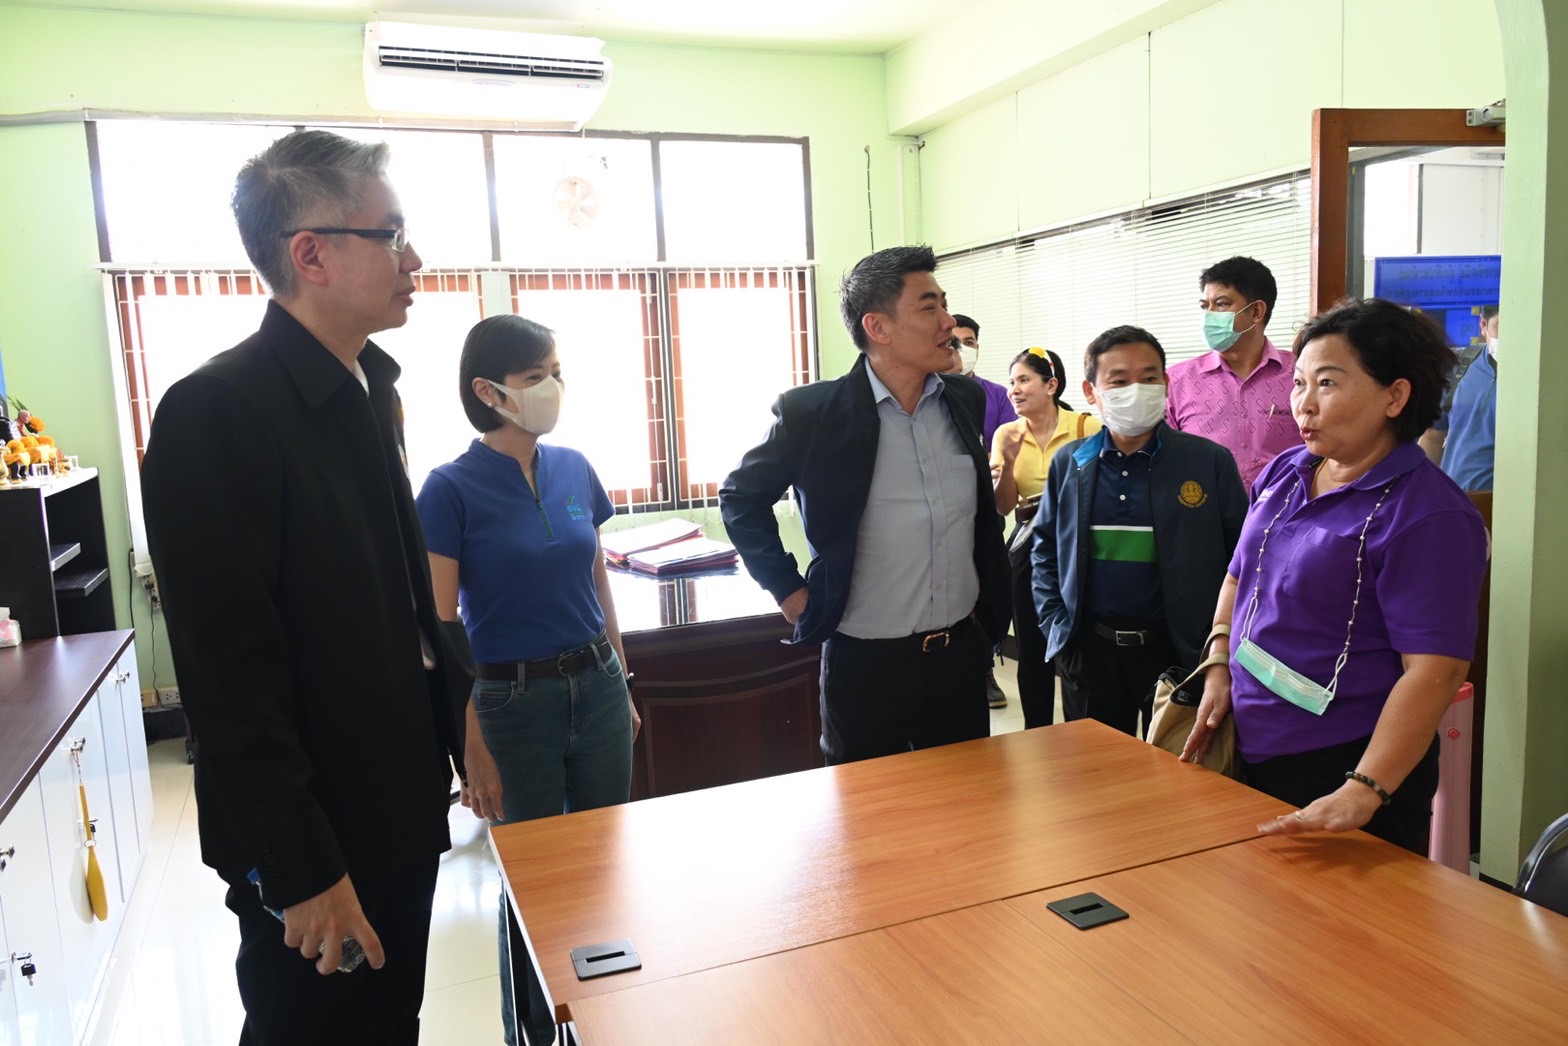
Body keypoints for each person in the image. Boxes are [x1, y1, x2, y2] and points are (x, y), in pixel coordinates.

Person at [140, 129, 463, 1044]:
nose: (414, 260)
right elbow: (228, 678)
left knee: (387, 1022)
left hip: (398, 796)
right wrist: (300, 867)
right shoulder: (217, 410)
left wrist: (461, 714)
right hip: (320, 826)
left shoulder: (368, 387)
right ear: (311, 254)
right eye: (391, 235)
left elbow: (401, 593)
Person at [1181, 298, 1488, 855]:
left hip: (1342, 764)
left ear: (1395, 395)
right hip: (1245, 736)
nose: (1303, 403)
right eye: (1299, 383)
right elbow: (1239, 577)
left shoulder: (1429, 515)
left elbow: (1435, 671)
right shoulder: (1287, 471)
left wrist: (1364, 788)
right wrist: (1219, 663)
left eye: (1327, 383)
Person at [416, 313, 637, 1046]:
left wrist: (622, 679)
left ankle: (601, 1018)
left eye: (556, 372)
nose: (552, 387)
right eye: (535, 376)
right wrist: (469, 742)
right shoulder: (448, 490)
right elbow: (442, 626)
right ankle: (537, 1032)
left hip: (596, 685)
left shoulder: (574, 467)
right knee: (534, 881)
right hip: (510, 702)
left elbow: (597, 579)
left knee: (603, 862)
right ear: (489, 392)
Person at [720, 245, 1010, 765]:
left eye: (945, 304)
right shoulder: (813, 413)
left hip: (959, 657)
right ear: (878, 327)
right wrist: (787, 589)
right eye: (929, 307)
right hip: (865, 664)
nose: (948, 322)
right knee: (866, 808)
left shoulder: (964, 400)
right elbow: (741, 498)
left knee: (967, 802)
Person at [1032, 326, 1246, 737]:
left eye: (1148, 378)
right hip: (1090, 651)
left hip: (1180, 650)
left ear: (1165, 383)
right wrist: (1056, 624)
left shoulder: (1208, 462)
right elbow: (1045, 550)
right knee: (1093, 766)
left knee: (1175, 769)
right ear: (1090, 391)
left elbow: (1242, 558)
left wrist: (1219, 645)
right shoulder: (1070, 462)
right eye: (1119, 381)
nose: (1136, 390)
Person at [990, 347, 1102, 728]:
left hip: (1077, 548)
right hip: (1030, 547)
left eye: (1024, 380)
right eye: (1011, 382)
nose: (1014, 390)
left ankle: (1082, 732)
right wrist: (1007, 461)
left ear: (1051, 385)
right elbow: (1004, 506)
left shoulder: (1086, 428)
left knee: (1079, 646)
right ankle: (1036, 732)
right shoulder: (1006, 434)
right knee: (1032, 648)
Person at [1165, 256, 1301, 490]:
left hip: (1285, 508)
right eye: (1204, 306)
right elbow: (1161, 460)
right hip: (1202, 508)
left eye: (1221, 304)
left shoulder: (1300, 375)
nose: (1209, 315)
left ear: (1256, 311)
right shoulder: (1177, 381)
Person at [1423, 305, 1499, 490]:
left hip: (1505, 502)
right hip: (1453, 498)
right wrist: (1415, 488)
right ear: (1483, 325)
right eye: (1501, 326)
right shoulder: (1462, 366)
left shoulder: (1539, 379)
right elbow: (1433, 437)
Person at [950, 313, 1018, 449]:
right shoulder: (932, 391)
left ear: (977, 349)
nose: (962, 349)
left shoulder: (1000, 395)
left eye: (969, 343)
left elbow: (1010, 449)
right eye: (955, 343)